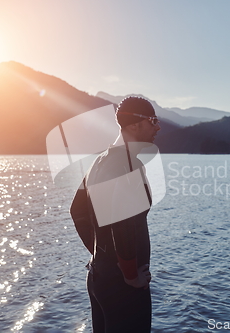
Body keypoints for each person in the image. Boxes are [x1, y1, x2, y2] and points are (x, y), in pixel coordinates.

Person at [70, 96, 161, 333]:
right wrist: (130, 274)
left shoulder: (101, 161)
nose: (157, 127)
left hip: (100, 278)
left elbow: (77, 211)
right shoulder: (127, 165)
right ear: (134, 125)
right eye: (152, 120)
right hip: (124, 286)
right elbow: (123, 222)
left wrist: (101, 256)